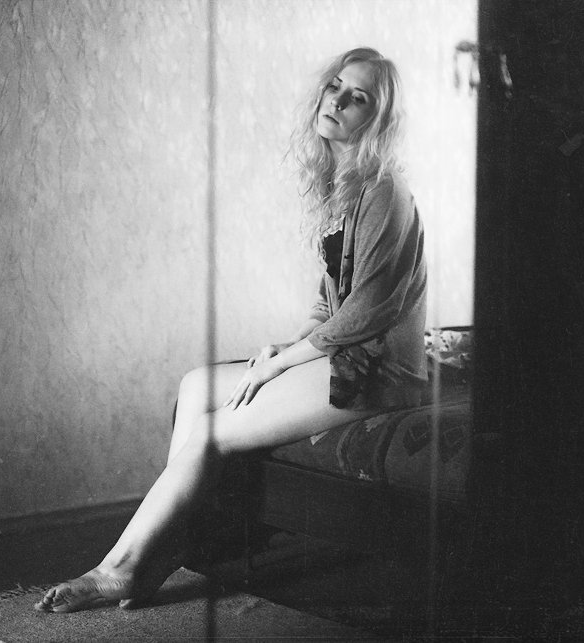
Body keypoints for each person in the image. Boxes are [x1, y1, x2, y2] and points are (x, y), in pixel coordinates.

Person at [35, 47, 428, 614]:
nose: (337, 100)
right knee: (196, 384)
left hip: (378, 373)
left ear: (377, 119)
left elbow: (368, 309)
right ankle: (171, 544)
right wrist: (287, 347)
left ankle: (119, 569)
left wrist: (281, 364)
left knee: (210, 433)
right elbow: (329, 301)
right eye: (335, 86)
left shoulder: (385, 191)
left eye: (358, 97)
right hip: (342, 357)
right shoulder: (344, 187)